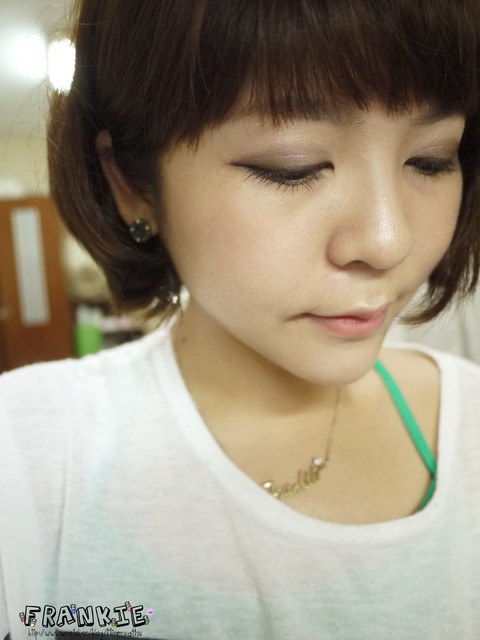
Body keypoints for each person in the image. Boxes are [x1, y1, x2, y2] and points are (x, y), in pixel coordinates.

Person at [1, 0, 480, 638]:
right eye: (292, 168)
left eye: (431, 160)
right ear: (132, 184)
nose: (389, 241)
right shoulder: (29, 453)